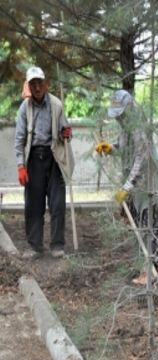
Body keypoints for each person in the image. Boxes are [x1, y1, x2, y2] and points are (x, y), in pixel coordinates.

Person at [97, 89, 158, 286]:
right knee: (143, 225)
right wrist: (110, 148)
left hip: (152, 183)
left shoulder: (139, 126)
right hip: (139, 185)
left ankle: (150, 272)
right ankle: (154, 268)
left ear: (129, 108)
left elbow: (142, 158)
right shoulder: (126, 126)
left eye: (121, 114)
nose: (119, 118)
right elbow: (125, 149)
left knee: (149, 227)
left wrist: (126, 187)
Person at [14, 66, 74, 259]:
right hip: (34, 158)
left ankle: (57, 245)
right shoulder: (25, 107)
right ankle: (34, 246)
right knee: (33, 204)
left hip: (54, 156)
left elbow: (65, 132)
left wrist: (67, 133)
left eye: (40, 82)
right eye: (33, 84)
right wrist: (20, 165)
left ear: (46, 83)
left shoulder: (56, 105)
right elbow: (19, 139)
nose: (37, 87)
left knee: (57, 203)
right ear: (29, 86)